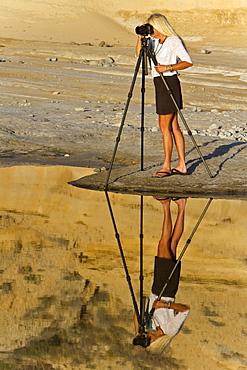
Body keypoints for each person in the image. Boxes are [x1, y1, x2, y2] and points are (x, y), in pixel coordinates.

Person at [136, 14, 193, 178]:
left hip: (169, 81)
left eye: (151, 27)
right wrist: (141, 37)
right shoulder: (153, 41)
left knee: (164, 127)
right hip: (159, 83)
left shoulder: (173, 40)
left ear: (159, 26)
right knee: (173, 126)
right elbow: (139, 54)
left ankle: (167, 166)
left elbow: (188, 61)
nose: (150, 31)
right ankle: (182, 165)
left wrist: (168, 67)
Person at [134, 197, 190, 355]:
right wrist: (165, 306)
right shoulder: (170, 330)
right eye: (149, 340)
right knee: (163, 244)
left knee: (172, 244)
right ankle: (166, 205)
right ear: (156, 342)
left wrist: (137, 330)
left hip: (157, 286)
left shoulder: (149, 325)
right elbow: (185, 310)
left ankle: (181, 205)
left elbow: (135, 312)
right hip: (167, 290)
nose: (148, 336)